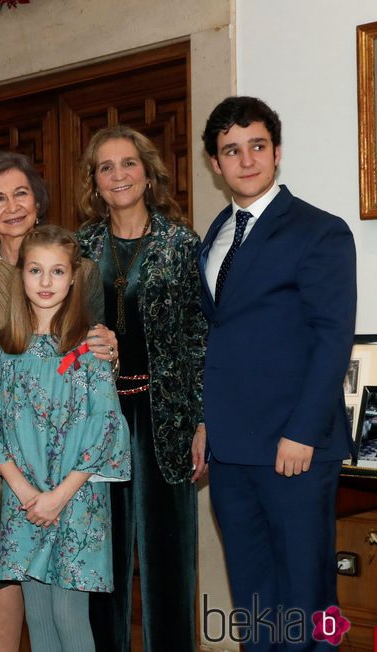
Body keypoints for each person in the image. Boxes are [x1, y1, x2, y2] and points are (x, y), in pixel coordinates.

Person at [0, 150, 117, 652]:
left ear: (37, 200)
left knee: (66, 606)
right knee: (2, 573)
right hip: (0, 459)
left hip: (69, 469)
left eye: (20, 193)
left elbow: (97, 346)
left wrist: (111, 352)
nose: (12, 206)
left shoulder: (80, 270)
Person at [200, 96, 356, 651]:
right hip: (231, 450)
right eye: (231, 151)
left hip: (295, 448)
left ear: (277, 152)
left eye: (257, 147)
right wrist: (205, 425)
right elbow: (222, 339)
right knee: (255, 598)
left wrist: (302, 431)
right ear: (215, 165)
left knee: (310, 598)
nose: (246, 161)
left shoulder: (320, 231)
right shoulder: (217, 232)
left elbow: (331, 339)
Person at [74, 125, 207, 652]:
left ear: (148, 173)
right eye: (106, 167)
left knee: (167, 554)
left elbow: (200, 340)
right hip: (96, 418)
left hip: (165, 417)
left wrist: (202, 421)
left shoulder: (181, 244)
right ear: (95, 182)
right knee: (101, 555)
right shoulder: (80, 245)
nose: (118, 175)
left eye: (127, 163)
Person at [0, 224, 131, 652]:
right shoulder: (3, 347)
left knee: (68, 614)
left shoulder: (90, 344)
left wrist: (59, 496)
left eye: (57, 272)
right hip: (23, 500)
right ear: (20, 274)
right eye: (36, 271)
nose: (45, 283)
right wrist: (26, 493)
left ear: (74, 277)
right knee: (38, 615)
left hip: (75, 501)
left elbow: (106, 429)